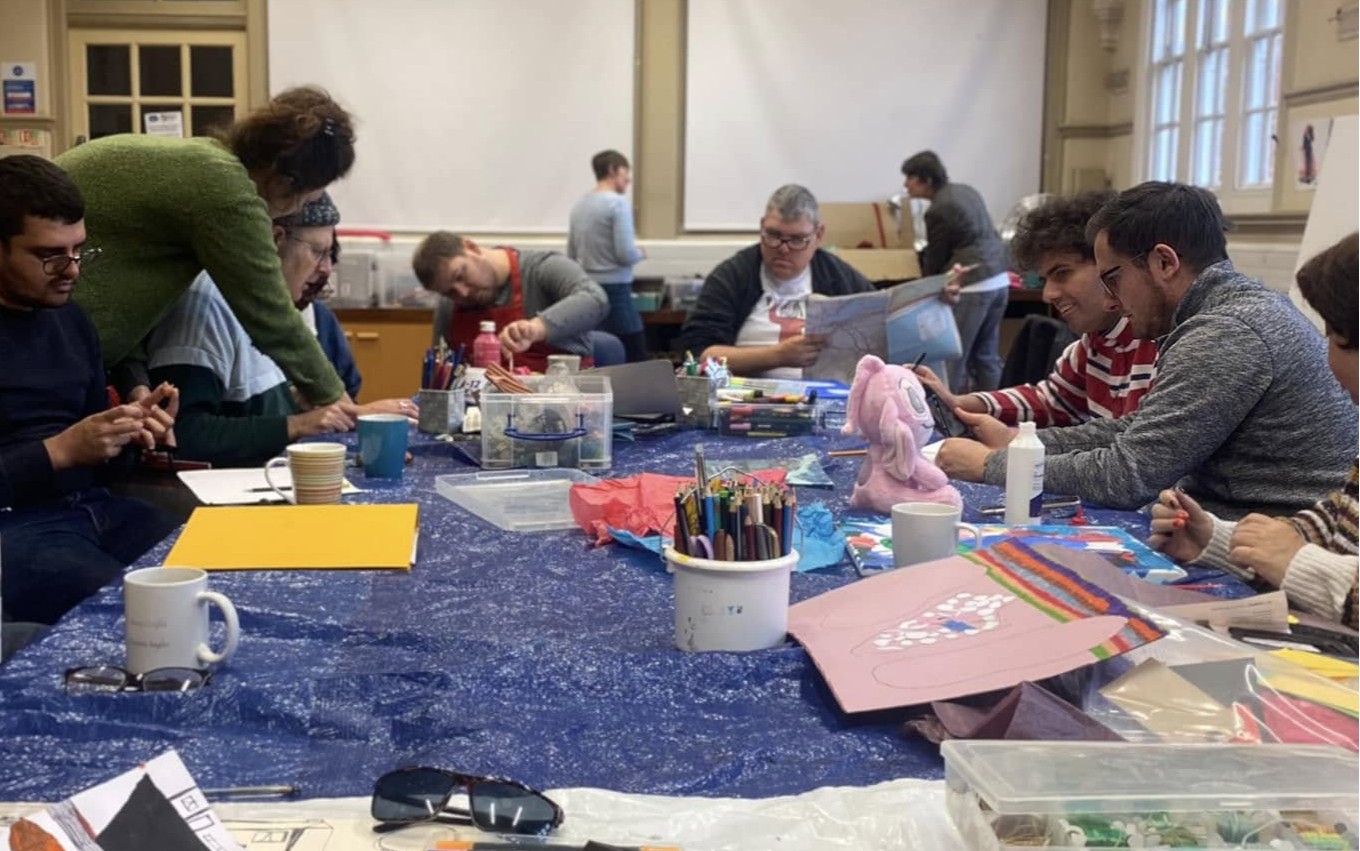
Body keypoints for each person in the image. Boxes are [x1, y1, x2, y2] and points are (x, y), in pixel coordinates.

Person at [935, 182, 1357, 520]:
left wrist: (990, 467)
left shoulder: (1226, 333)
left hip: (1273, 540)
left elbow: (1128, 475)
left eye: (1113, 278)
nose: (1112, 301)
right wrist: (1020, 444)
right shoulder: (1226, 314)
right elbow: (1138, 429)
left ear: (1165, 263)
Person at [55, 85, 357, 408]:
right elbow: (272, 317)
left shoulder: (208, 161)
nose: (298, 209)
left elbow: (123, 283)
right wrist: (339, 403)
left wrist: (133, 380)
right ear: (284, 183)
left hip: (62, 347)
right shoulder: (227, 192)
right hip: (48, 352)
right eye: (308, 198)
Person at [0, 156, 179, 626]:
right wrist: (58, 451)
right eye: (50, 255)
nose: (72, 270)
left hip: (96, 509)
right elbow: (66, 451)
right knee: (133, 616)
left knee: (221, 578)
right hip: (16, 526)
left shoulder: (72, 321)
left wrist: (132, 432)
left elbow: (105, 467)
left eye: (80, 250)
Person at [1151, 233, 1359, 627]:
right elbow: (1334, 523)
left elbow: (1301, 556)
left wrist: (1296, 563)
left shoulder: (1232, 331)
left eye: (1334, 338)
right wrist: (1216, 539)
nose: (1326, 353)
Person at [145, 194, 415, 468]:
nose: (325, 269)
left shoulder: (275, 308)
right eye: (318, 252)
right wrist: (298, 425)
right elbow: (183, 435)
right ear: (276, 239)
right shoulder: (207, 303)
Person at [914, 190, 1159, 428]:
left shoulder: (1160, 349)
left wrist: (1004, 451)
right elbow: (1050, 401)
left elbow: (1130, 453)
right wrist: (958, 402)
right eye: (1045, 280)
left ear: (1108, 265)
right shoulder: (1091, 345)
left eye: (1062, 273)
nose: (1047, 294)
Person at [677, 184, 875, 379]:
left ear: (818, 235)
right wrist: (778, 356)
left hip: (827, 395)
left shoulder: (840, 277)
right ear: (762, 226)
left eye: (797, 239)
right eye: (773, 235)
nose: (783, 249)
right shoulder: (733, 276)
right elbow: (699, 354)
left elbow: (876, 334)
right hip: (744, 396)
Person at [413, 234, 608, 371]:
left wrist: (535, 329)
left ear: (471, 248)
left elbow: (595, 299)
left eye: (461, 275)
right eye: (450, 292)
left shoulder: (542, 269)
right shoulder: (449, 307)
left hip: (564, 408)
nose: (462, 292)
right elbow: (440, 376)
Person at [902, 150, 1010, 394]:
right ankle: (995, 415)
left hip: (972, 286)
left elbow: (936, 257)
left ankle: (953, 419)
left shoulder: (939, 209)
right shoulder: (966, 190)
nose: (905, 184)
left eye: (910, 177)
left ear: (926, 180)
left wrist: (926, 287)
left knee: (954, 359)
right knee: (986, 356)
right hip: (1000, 279)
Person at [568, 150, 647, 363]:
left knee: (600, 356)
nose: (628, 179)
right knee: (636, 358)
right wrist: (640, 253)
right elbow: (625, 254)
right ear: (613, 170)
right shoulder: (617, 204)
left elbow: (571, 253)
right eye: (625, 172)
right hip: (617, 293)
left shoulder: (579, 205)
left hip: (588, 292)